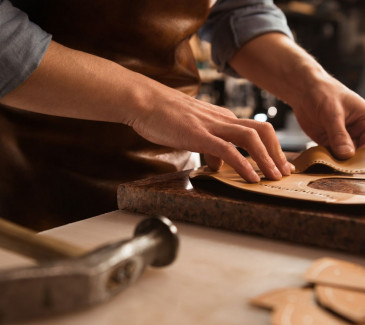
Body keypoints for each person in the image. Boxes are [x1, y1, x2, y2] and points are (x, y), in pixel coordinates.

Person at [0, 0, 364, 230]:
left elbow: (234, 9)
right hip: (32, 183)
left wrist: (310, 83)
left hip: (171, 186)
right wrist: (148, 102)